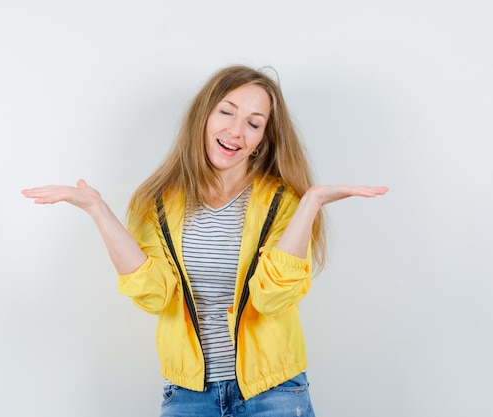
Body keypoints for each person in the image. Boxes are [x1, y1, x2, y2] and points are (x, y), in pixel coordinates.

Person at [22, 65, 387, 416]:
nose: (236, 130)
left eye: (253, 123)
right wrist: (98, 210)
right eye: (227, 112)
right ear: (204, 116)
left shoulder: (282, 201)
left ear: (262, 140)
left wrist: (310, 202)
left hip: (273, 393)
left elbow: (271, 297)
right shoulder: (158, 203)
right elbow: (154, 294)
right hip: (188, 396)